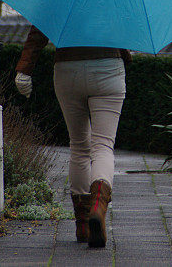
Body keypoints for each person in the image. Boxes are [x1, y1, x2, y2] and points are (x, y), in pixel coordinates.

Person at [14, 25, 131, 248]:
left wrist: (24, 69)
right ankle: (97, 205)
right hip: (108, 66)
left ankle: (83, 224)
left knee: (79, 146)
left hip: (68, 67)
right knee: (103, 146)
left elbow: (39, 29)